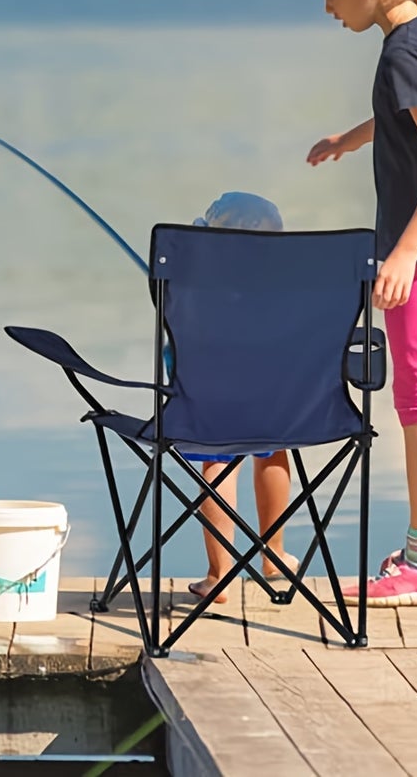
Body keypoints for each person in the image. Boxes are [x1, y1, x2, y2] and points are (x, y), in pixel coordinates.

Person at [257, 0, 417, 607]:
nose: (325, 7)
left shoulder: (403, 50)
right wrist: (351, 139)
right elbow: (408, 119)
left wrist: (405, 253)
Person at [183, 192, 292, 604]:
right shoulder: (288, 290)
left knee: (218, 462)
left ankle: (219, 574)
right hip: (279, 402)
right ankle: (274, 553)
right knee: (273, 449)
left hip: (210, 403)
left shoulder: (193, 286)